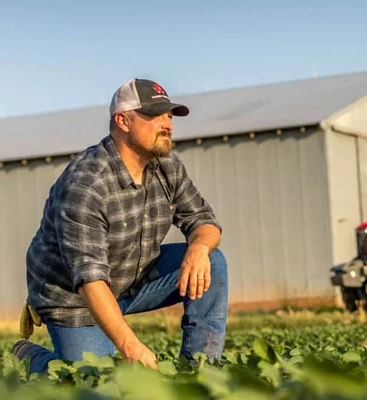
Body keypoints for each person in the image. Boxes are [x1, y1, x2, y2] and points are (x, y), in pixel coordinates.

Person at [11, 78, 228, 374]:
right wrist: (130, 345)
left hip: (132, 278)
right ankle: (31, 357)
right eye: (155, 115)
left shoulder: (168, 168)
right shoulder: (86, 184)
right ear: (123, 121)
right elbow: (89, 279)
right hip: (75, 298)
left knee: (212, 261)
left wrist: (199, 246)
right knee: (96, 379)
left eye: (169, 115)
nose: (168, 123)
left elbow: (205, 221)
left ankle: (200, 371)